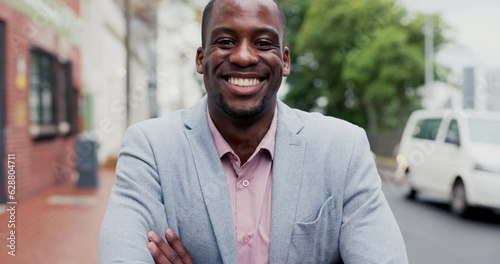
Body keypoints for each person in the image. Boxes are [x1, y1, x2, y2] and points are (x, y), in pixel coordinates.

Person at [99, 0, 408, 263]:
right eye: (225, 42)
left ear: (285, 61)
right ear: (200, 58)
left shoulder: (343, 148)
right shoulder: (149, 148)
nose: (244, 57)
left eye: (262, 43)